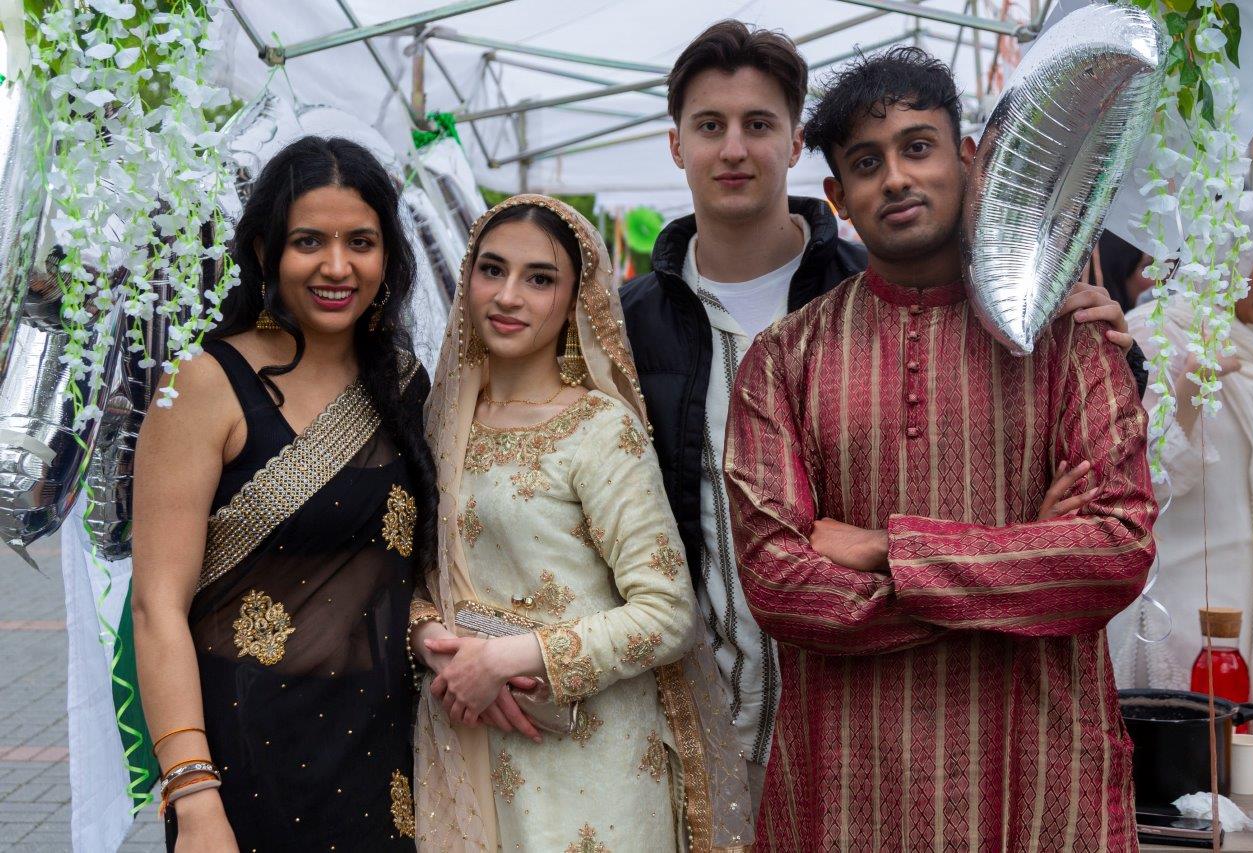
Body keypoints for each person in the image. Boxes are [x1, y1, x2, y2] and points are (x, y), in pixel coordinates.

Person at [620, 20, 1148, 812]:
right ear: (839, 194)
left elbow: (1116, 551)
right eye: (868, 163)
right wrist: (1021, 563)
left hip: (1036, 773)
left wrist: (885, 549)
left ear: (967, 157)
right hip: (845, 779)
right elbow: (781, 584)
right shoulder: (785, 356)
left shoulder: (1064, 332)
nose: (897, 178)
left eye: (918, 148)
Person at [409, 194, 751, 852]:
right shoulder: (439, 423)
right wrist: (434, 642)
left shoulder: (598, 428)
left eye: (539, 279)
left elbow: (667, 612)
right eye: (492, 269)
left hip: (591, 762)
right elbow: (411, 576)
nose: (508, 296)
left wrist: (508, 657)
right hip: (467, 733)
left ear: (575, 301)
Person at [132, 136, 434, 850]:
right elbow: (156, 606)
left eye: (360, 242)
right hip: (244, 761)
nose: (337, 266)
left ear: (388, 255)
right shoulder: (204, 384)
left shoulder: (404, 384)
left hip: (385, 755)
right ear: (266, 252)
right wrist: (193, 795)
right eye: (309, 242)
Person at [1111, 191, 1253, 707]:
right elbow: (1141, 480)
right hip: (1180, 590)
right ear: (1228, 259)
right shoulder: (1159, 331)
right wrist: (1188, 392)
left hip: (1249, 584)